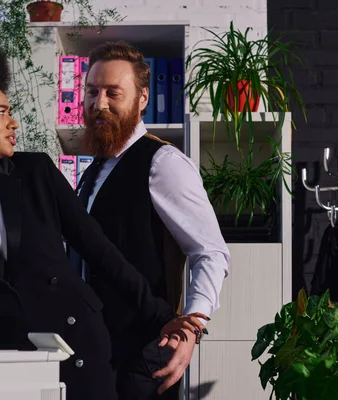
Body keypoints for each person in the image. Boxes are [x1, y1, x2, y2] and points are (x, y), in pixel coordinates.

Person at [0, 31, 205, 400]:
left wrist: (167, 319)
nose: (13, 123)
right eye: (1, 112)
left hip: (75, 344)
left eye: (11, 112)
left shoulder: (36, 174)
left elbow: (102, 253)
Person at [71, 40, 231, 399]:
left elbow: (211, 253)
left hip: (144, 355)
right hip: (97, 353)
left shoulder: (163, 163)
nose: (100, 103)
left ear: (143, 99)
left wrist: (191, 329)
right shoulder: (93, 171)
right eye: (92, 92)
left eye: (114, 93)